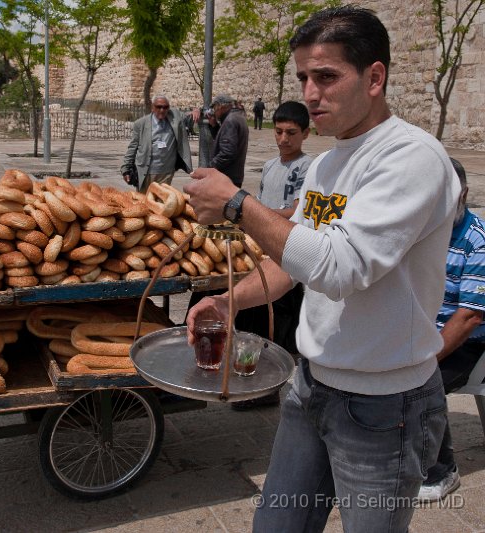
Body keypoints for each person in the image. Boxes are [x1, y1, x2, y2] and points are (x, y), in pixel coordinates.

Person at [183, 6, 459, 532]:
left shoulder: (411, 158)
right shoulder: (326, 165)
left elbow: (340, 268)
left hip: (385, 405)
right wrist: (229, 301)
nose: (310, 94)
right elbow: (296, 261)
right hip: (312, 385)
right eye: (304, 78)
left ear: (374, 77)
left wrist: (238, 205)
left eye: (326, 76)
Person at [230, 101, 313, 410]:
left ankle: (268, 389)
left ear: (305, 133)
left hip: (288, 256)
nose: (283, 139)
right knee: (254, 325)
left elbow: (296, 211)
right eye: (278, 131)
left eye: (291, 133)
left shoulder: (309, 168)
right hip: (262, 254)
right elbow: (262, 203)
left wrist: (259, 214)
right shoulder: (269, 166)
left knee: (276, 329)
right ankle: (253, 383)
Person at [418, 157, 485, 502]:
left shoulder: (477, 241)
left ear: (465, 194)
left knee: (418, 382)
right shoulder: (425, 232)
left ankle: (442, 470)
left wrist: (424, 357)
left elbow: (470, 317)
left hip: (468, 342)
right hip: (423, 330)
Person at [120, 95, 193, 193]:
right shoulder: (141, 124)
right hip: (146, 171)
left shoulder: (175, 117)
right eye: (159, 107)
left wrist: (197, 111)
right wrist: (126, 169)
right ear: (152, 107)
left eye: (165, 107)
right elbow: (132, 147)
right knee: (143, 202)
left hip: (166, 171)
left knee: (161, 202)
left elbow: (190, 116)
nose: (162, 110)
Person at [208, 94, 249, 187]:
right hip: (235, 175)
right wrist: (214, 126)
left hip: (227, 176)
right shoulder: (238, 116)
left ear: (220, 106)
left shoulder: (230, 120)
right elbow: (225, 140)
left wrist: (211, 166)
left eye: (214, 108)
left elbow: (227, 152)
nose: (214, 111)